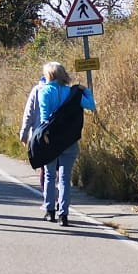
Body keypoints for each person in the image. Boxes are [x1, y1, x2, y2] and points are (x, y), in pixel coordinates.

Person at [19, 61, 96, 227]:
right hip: (69, 140)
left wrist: (43, 136)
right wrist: (85, 90)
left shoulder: (44, 91)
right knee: (65, 178)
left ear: (49, 75)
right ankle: (64, 214)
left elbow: (45, 119)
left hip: (51, 141)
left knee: (49, 175)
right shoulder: (73, 93)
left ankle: (50, 210)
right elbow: (91, 106)